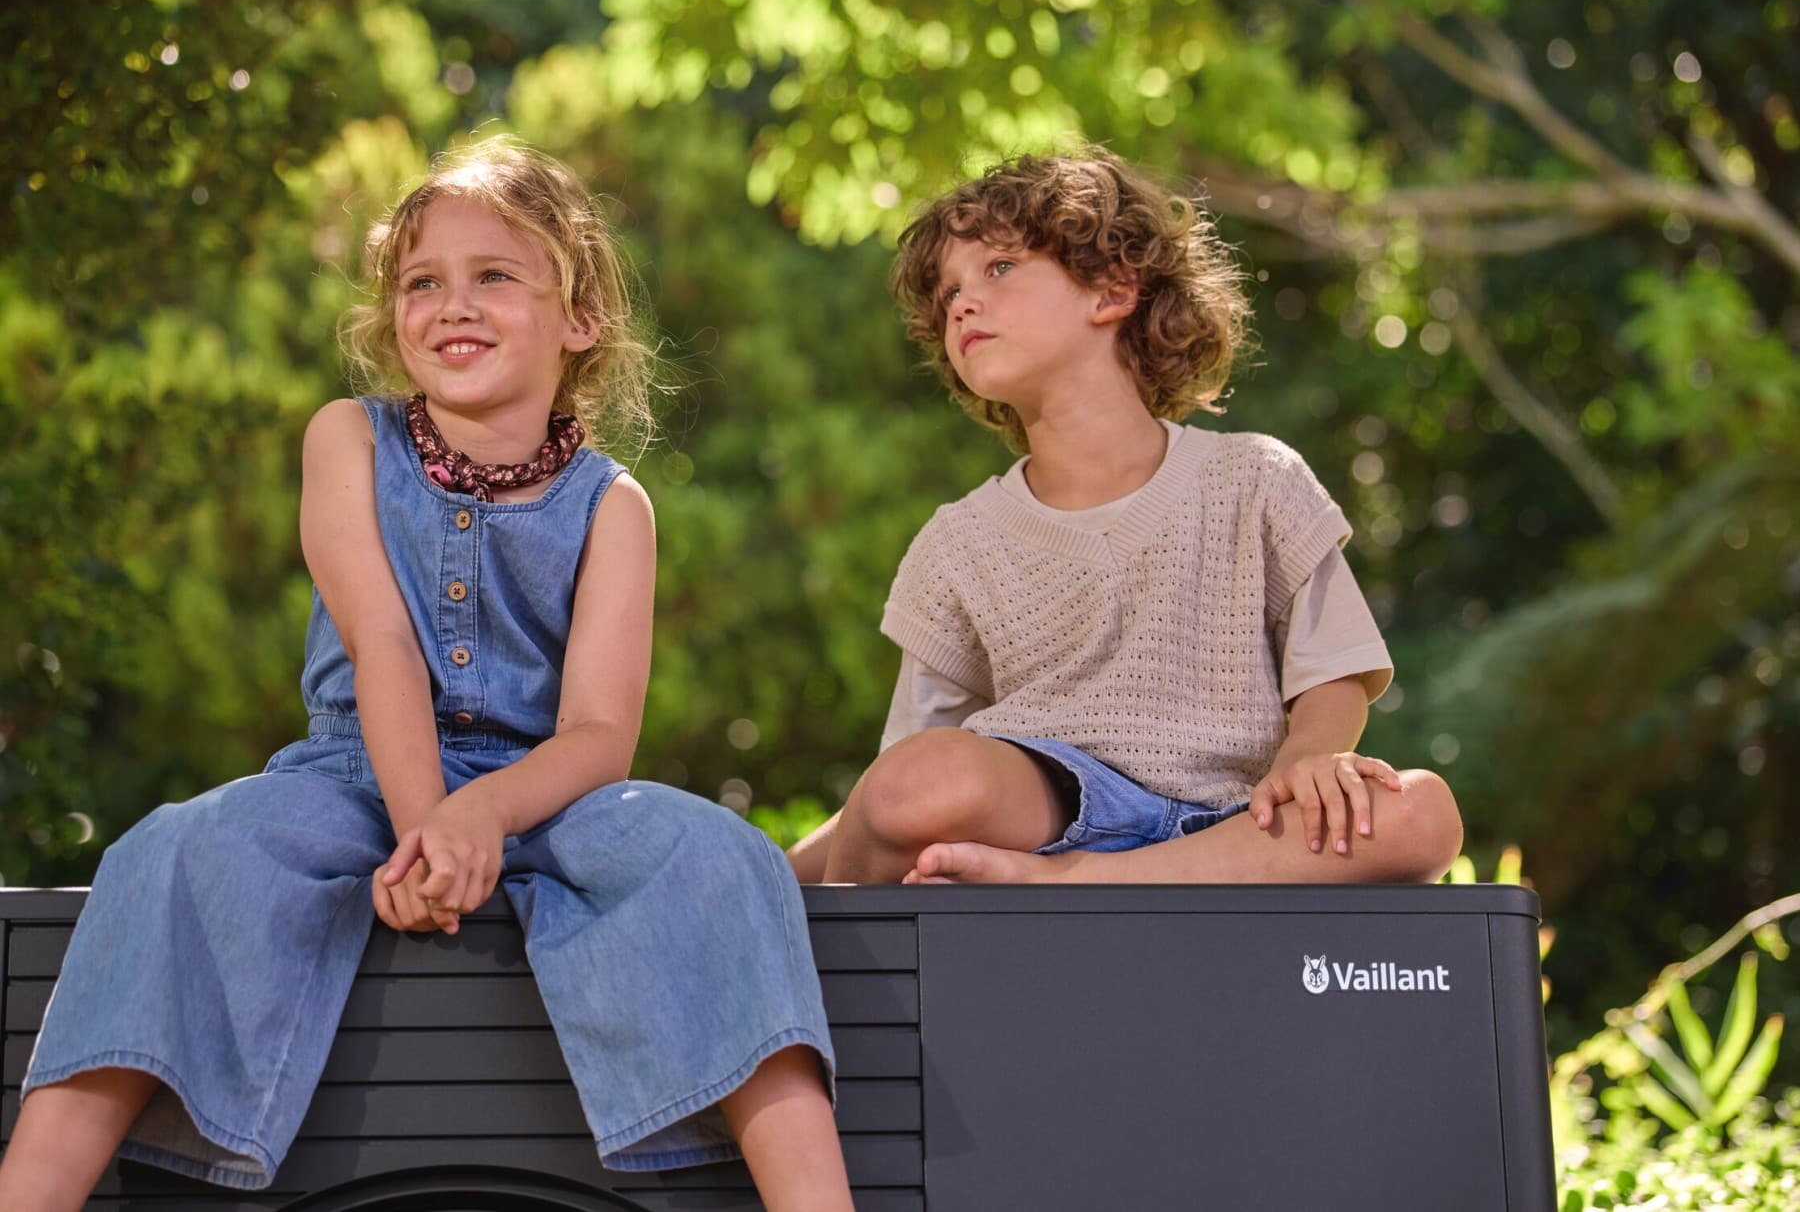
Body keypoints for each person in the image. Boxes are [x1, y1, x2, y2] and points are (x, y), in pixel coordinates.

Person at [0, 140, 852, 1212]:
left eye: (495, 274)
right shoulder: (346, 441)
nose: (454, 303)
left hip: (543, 792)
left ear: (579, 317)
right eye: (421, 282)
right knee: (173, 853)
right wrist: (425, 829)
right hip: (353, 778)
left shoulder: (612, 507)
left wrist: (482, 815)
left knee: (721, 858)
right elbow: (384, 642)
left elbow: (597, 735)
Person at [787, 149, 1463, 887]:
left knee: (1424, 813)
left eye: (1000, 269)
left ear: (1111, 290)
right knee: (914, 782)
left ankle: (1079, 888)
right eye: (948, 292)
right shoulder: (956, 544)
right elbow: (899, 786)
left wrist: (1310, 764)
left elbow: (1334, 671)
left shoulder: (1256, 479)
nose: (961, 303)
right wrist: (767, 872)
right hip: (1048, 817)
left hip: (1243, 826)